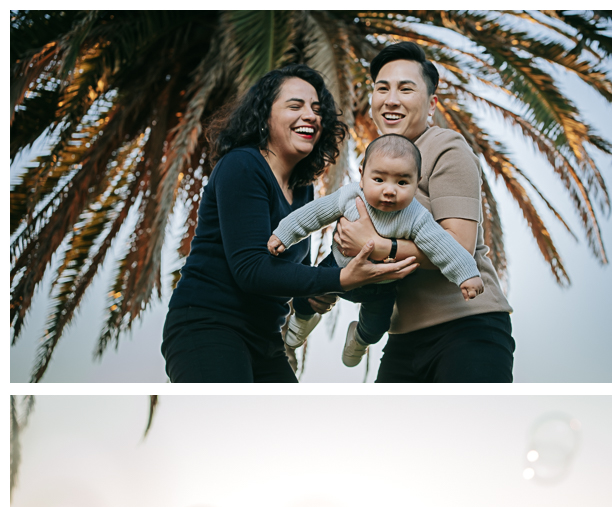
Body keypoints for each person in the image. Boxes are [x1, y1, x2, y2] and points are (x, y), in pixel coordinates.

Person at [160, 64, 417, 382]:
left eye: (316, 109)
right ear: (265, 115)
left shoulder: (302, 187)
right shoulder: (242, 166)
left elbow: (296, 269)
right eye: (295, 106)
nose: (311, 115)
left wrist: (312, 296)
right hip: (208, 328)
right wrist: (339, 278)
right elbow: (251, 269)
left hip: (266, 339)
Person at [332, 42, 515, 382]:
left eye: (405, 88)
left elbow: (458, 248)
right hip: (402, 339)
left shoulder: (447, 147)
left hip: (468, 331)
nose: (391, 99)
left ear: (431, 105)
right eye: (381, 88)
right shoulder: (375, 167)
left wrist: (376, 245)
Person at [269, 134, 483, 368]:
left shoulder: (416, 216)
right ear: (362, 176)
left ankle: (359, 339)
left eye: (402, 183)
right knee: (308, 294)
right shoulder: (350, 195)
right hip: (337, 269)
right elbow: (314, 213)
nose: (389, 190)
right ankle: (301, 321)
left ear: (417, 181)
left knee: (377, 325)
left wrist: (466, 273)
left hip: (381, 285)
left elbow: (442, 245)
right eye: (379, 179)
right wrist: (284, 233)